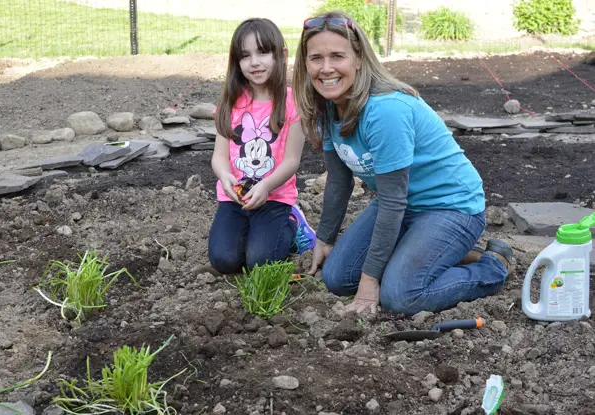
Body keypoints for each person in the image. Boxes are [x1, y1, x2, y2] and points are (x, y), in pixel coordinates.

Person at [291, 11, 513, 316]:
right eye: (316, 58)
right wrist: (325, 239)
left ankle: (492, 266)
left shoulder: (385, 110)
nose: (326, 68)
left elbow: (393, 201)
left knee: (400, 295)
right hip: (402, 207)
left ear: (358, 59)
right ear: (305, 63)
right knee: (338, 278)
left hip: (451, 208)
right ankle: (444, 255)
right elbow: (339, 181)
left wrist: (370, 283)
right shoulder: (329, 106)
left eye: (337, 56)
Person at [208, 18, 316, 275]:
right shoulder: (229, 104)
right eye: (245, 56)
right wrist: (224, 176)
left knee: (260, 263)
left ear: (281, 55)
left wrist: (266, 186)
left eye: (263, 52)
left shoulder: (293, 103)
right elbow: (219, 157)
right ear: (237, 63)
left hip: (274, 198)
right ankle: (251, 234)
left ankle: (293, 224)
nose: (254, 62)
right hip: (235, 199)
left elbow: (291, 161)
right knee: (224, 260)